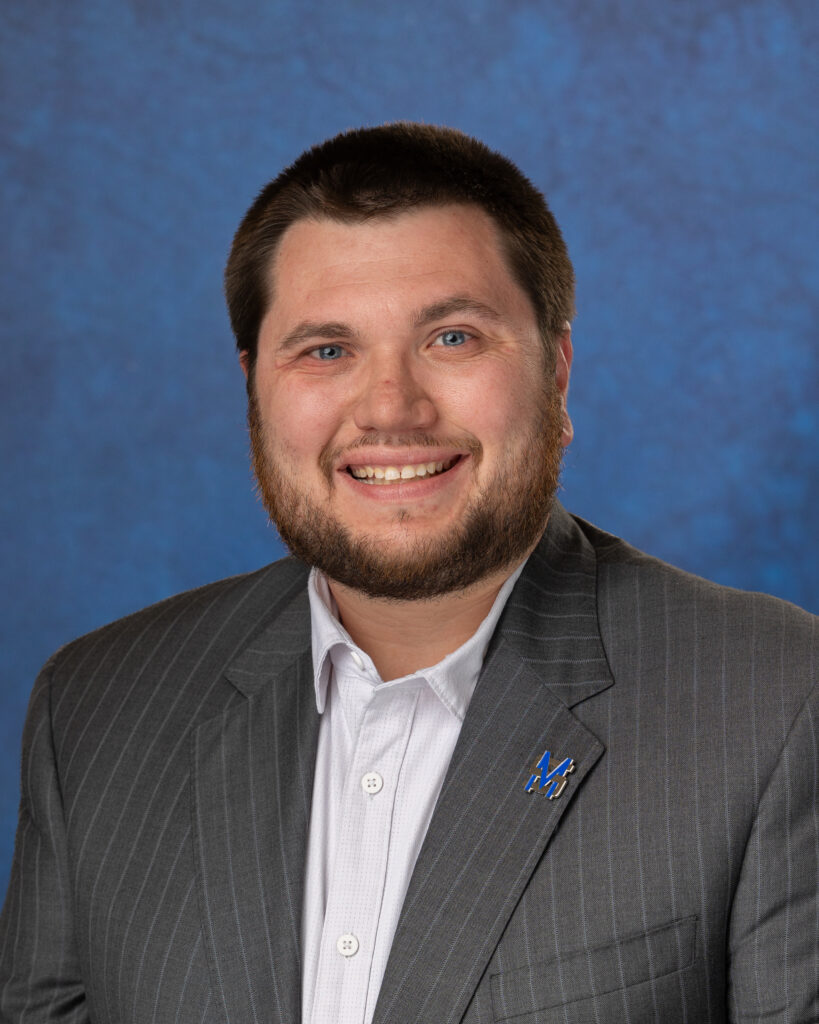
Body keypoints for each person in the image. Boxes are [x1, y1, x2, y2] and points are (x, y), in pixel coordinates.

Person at [0, 123, 816, 1024]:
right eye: (325, 350)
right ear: (254, 390)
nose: (391, 407)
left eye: (453, 338)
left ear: (559, 374)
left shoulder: (774, 700)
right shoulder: (94, 711)